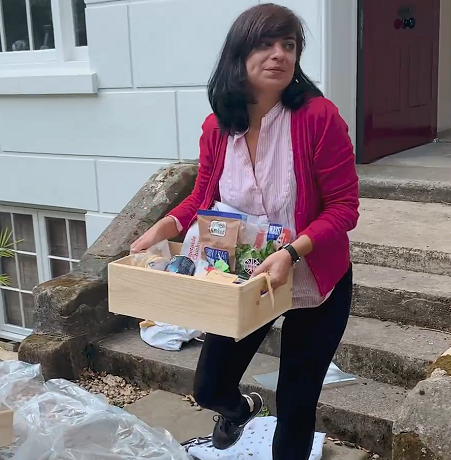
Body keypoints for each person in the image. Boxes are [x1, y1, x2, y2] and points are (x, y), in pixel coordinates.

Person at [131, 4, 359, 459]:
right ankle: (238, 410)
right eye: (266, 44)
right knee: (210, 385)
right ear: (239, 53)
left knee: (297, 403)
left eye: (289, 46)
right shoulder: (218, 127)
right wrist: (161, 227)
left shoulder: (318, 118)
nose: (279, 55)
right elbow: (201, 197)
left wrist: (292, 253)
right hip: (244, 275)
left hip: (315, 278)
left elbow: (344, 208)